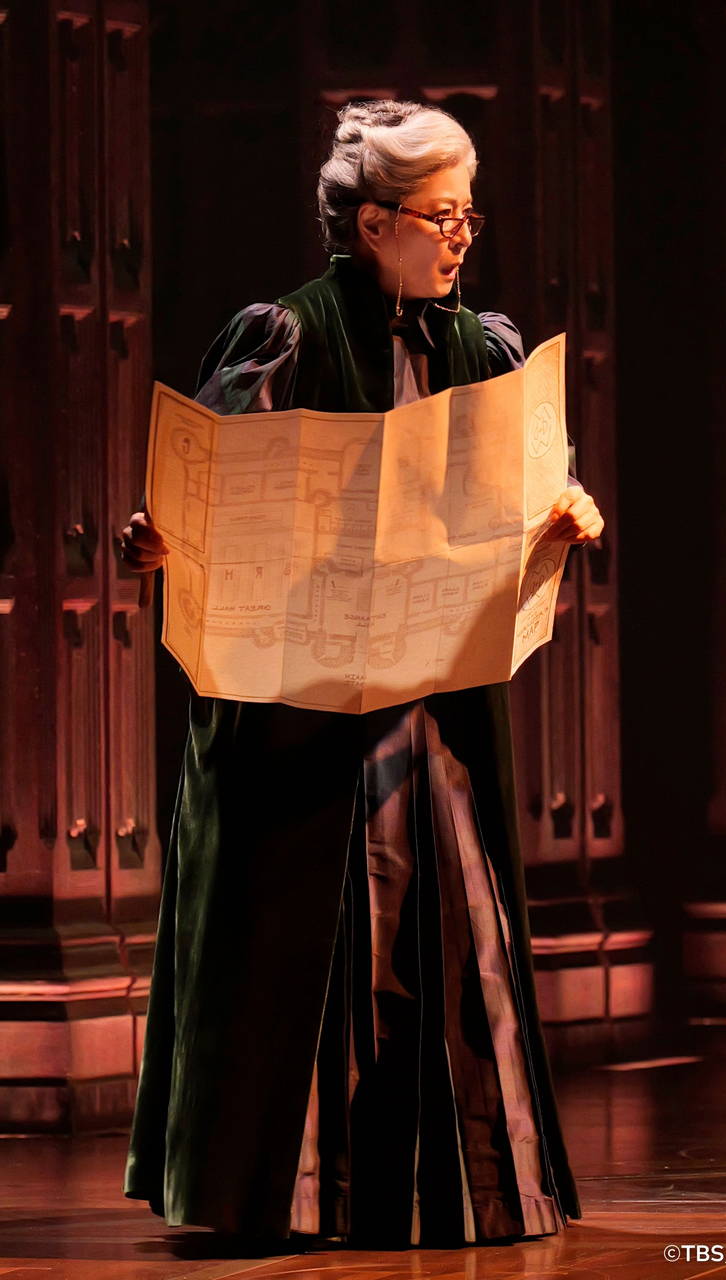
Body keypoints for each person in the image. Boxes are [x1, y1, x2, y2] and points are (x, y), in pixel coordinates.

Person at [121, 100, 604, 1250]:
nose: (460, 237)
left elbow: (523, 497)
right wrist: (161, 539)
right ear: (373, 222)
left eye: (467, 215)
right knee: (314, 934)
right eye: (440, 216)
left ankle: (455, 1188)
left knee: (445, 929)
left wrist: (561, 518)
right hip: (297, 705)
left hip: (430, 699)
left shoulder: (484, 347)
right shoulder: (284, 336)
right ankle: (293, 1196)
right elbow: (205, 498)